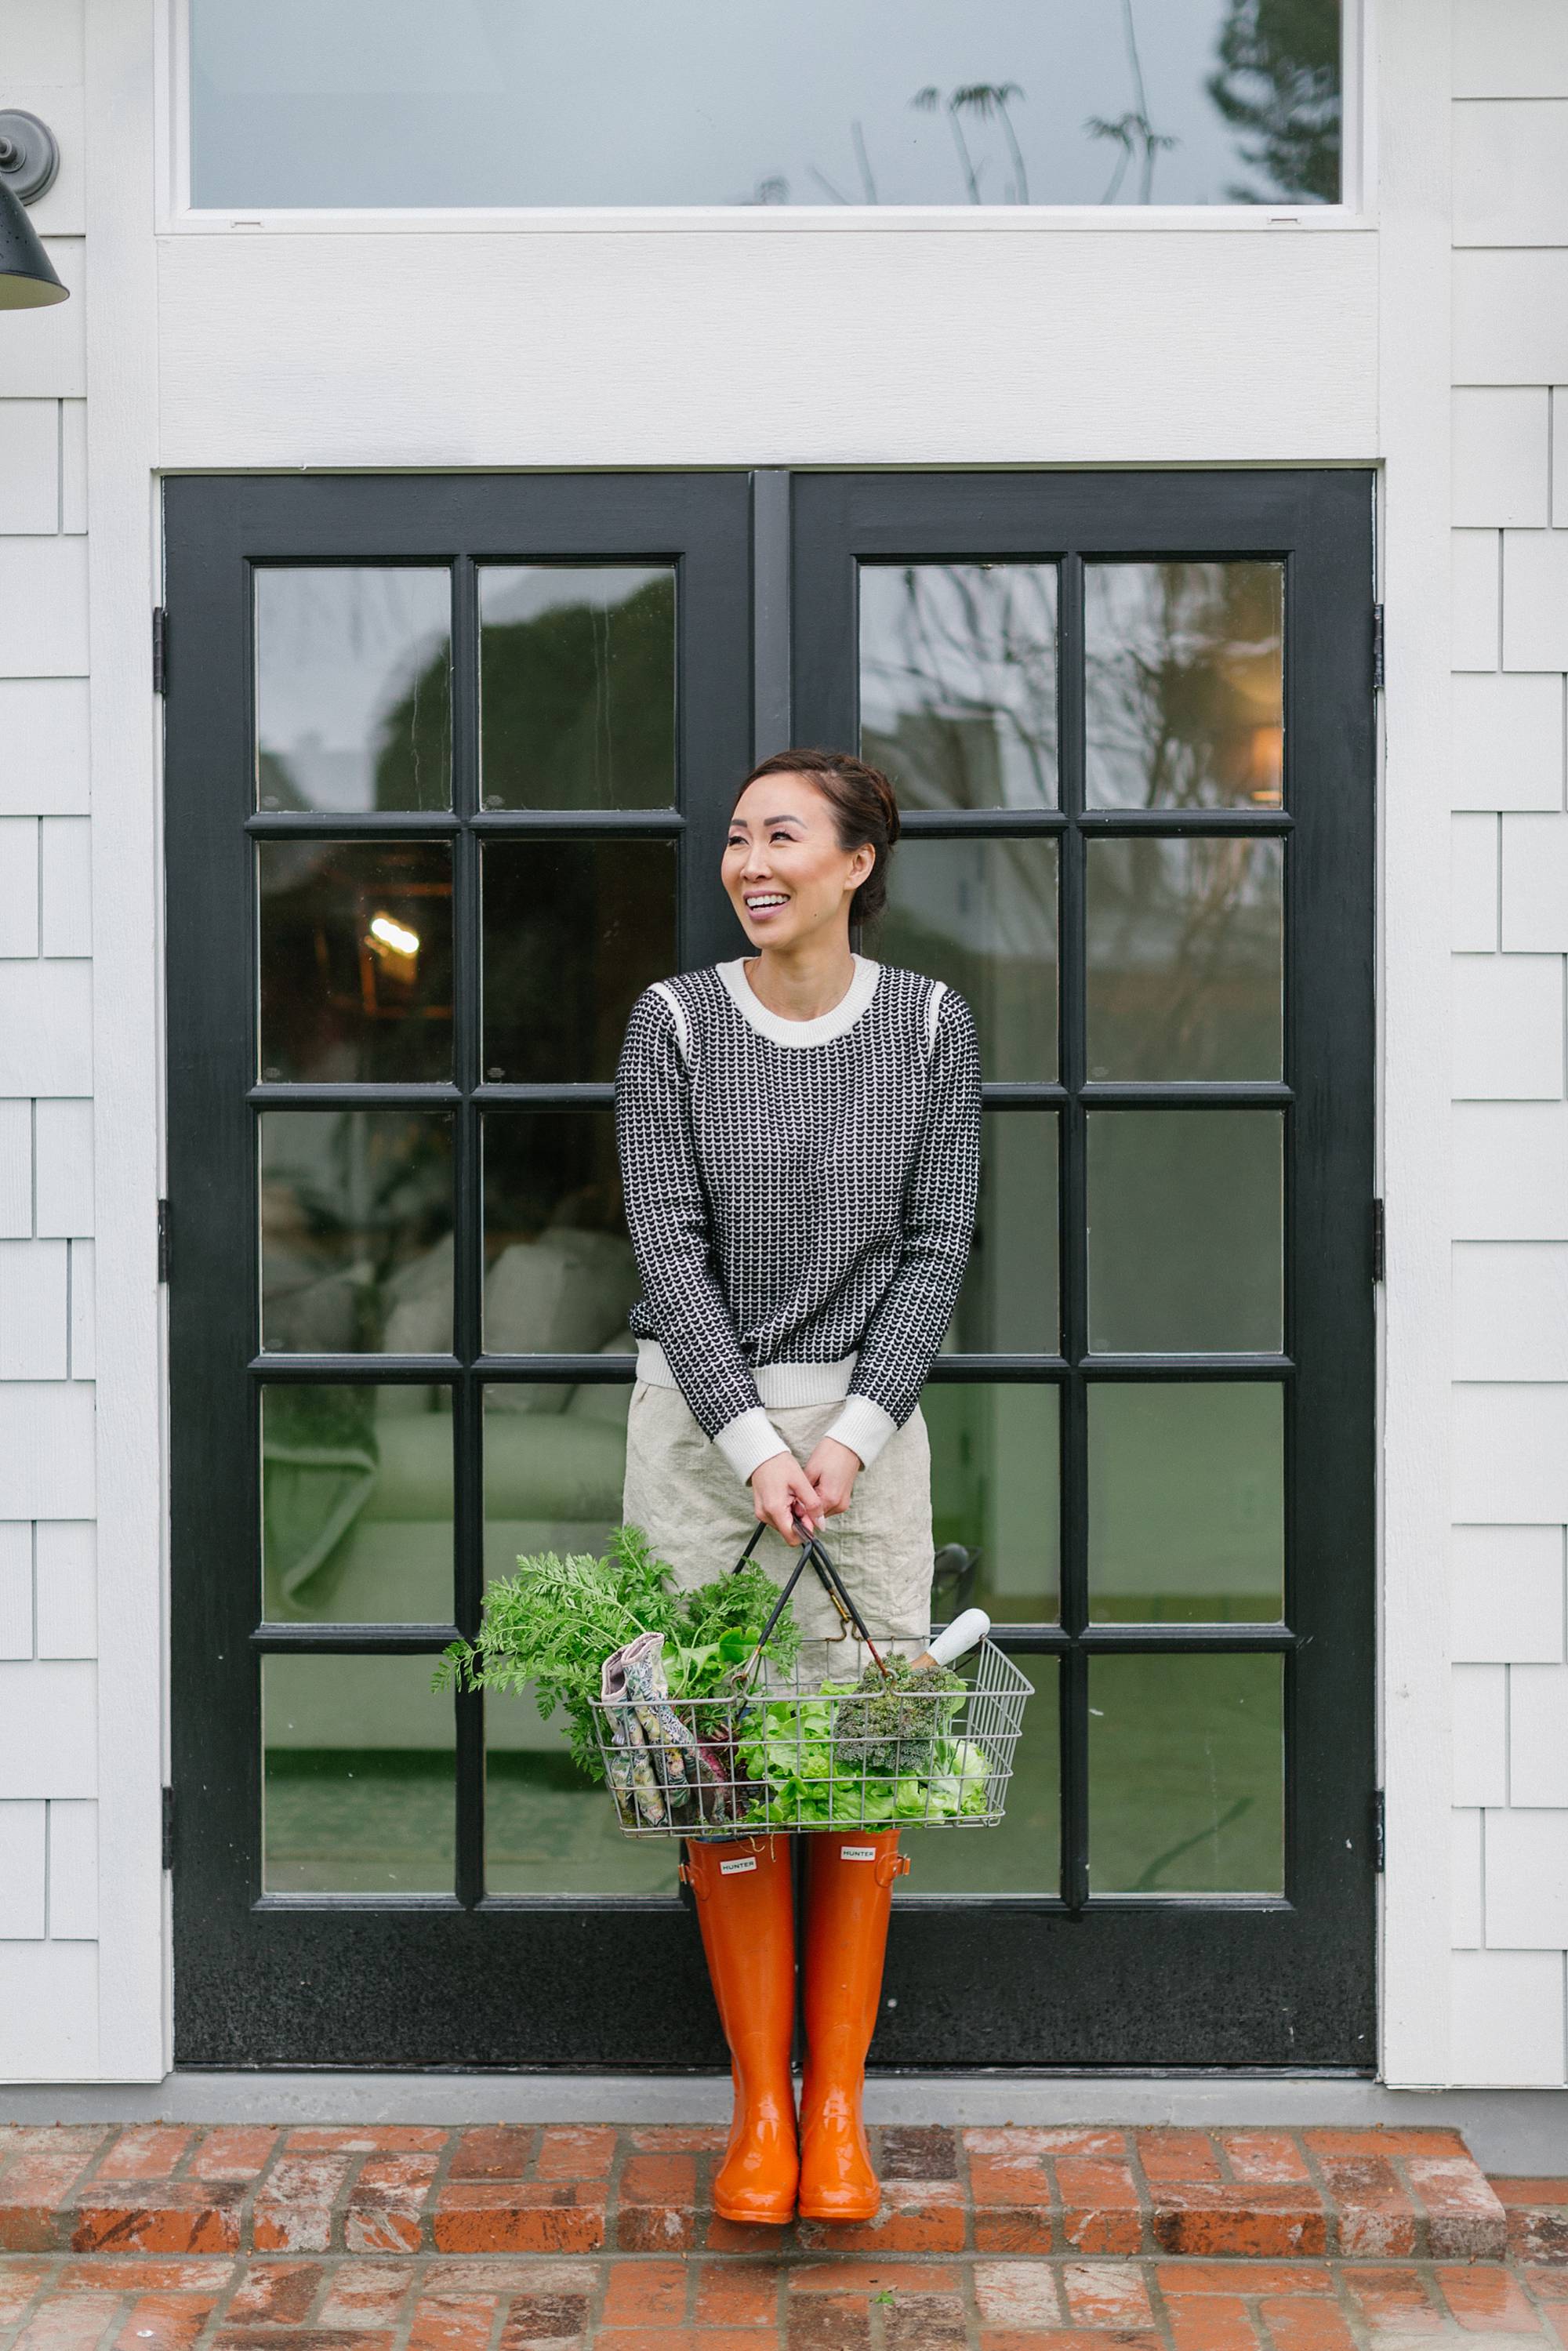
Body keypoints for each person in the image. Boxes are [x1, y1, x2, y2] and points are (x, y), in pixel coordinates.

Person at [613, 747, 982, 2227]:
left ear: (855, 864)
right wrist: (759, 1448)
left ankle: (840, 2117)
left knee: (861, 1755)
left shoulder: (934, 1030)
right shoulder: (676, 1027)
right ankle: (758, 2111)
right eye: (735, 839)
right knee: (725, 1760)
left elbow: (935, 1250)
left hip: (869, 1442)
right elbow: (668, 1250)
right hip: (703, 1439)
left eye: (781, 837)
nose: (748, 862)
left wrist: (853, 1436)